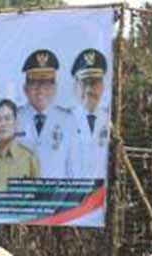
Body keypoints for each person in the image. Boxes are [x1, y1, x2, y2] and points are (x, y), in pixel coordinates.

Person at [17, 49, 74, 177]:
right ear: (25, 89)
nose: (40, 89)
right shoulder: (13, 118)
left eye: (47, 83)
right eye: (34, 83)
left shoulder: (68, 120)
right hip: (21, 193)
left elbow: (72, 169)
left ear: (55, 88)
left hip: (55, 195)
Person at [0, 99, 39, 205]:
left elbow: (37, 200)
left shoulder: (29, 159)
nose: (3, 124)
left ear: (16, 123)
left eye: (7, 119)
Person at [69, 48, 110, 181]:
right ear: (75, 86)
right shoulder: (65, 120)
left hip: (101, 195)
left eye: (94, 83)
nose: (88, 90)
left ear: (103, 86)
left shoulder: (109, 120)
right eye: (84, 83)